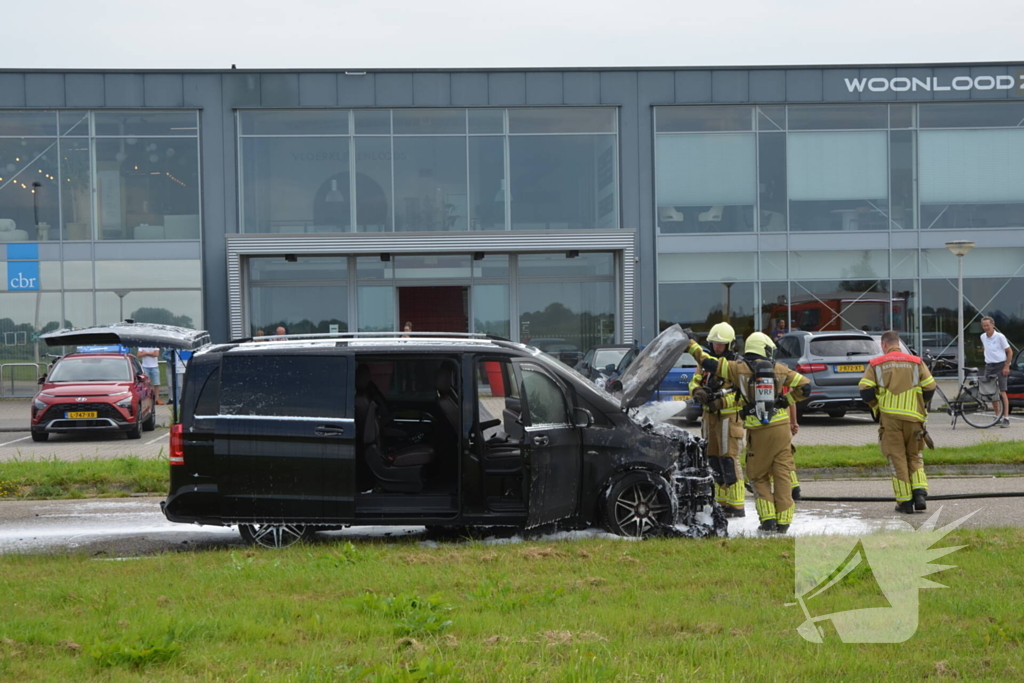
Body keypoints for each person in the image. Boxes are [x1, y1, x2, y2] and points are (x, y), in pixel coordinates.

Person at [699, 331, 810, 533]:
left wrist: (689, 344)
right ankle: (784, 522)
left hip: (758, 432)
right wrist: (785, 401)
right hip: (781, 430)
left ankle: (768, 521)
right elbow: (806, 387)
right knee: (783, 475)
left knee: (758, 477)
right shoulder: (780, 369)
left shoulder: (737, 368)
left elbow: (708, 363)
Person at [858, 330, 936, 514]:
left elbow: (865, 390)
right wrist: (921, 403)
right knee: (914, 455)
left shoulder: (876, 364)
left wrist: (876, 405)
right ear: (898, 343)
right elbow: (930, 386)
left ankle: (905, 502)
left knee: (897, 458)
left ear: (884, 345)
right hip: (915, 419)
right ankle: (920, 493)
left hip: (891, 420)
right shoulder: (916, 362)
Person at [687, 322, 746, 517]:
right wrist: (697, 390)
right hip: (708, 418)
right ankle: (721, 503)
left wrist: (720, 402)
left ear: (730, 345)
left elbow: (743, 396)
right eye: (714, 343)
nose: (717, 347)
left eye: (721, 344)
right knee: (712, 459)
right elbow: (694, 380)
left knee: (728, 459)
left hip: (729, 418)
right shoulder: (705, 364)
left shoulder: (736, 365)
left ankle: (736, 506)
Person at [980, 316, 1012, 428]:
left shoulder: (1000, 337)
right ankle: (997, 416)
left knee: (1002, 391)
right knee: (991, 392)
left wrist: (1006, 366)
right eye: (984, 326)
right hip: (989, 366)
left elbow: (1009, 351)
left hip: (1000, 365)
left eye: (988, 325)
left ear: (993, 325)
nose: (986, 327)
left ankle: (1006, 418)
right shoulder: (983, 337)